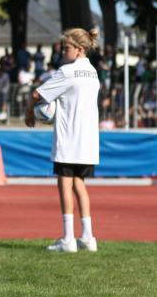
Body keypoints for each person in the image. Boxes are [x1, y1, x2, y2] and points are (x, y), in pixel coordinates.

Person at [25, 28, 101, 253]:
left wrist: (30, 113)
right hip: (88, 139)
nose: (62, 52)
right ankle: (88, 236)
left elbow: (37, 94)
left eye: (65, 48)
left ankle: (68, 239)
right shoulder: (93, 72)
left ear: (79, 50)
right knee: (80, 183)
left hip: (69, 138)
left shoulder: (67, 72)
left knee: (64, 182)